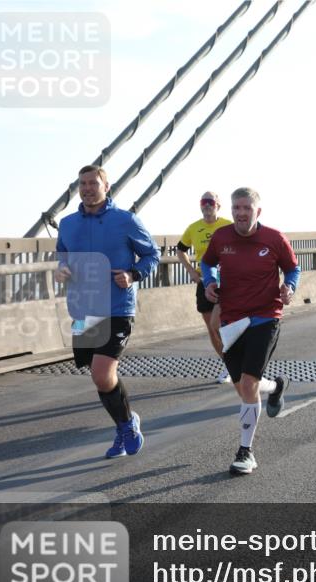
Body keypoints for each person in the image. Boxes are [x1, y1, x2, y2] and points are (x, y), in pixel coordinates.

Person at [55, 165, 161, 458]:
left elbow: (153, 254)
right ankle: (125, 422)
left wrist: (133, 274)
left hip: (117, 306)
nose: (87, 188)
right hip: (84, 307)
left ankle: (127, 426)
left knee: (102, 373)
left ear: (106, 186)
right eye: (82, 184)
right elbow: (62, 254)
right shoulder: (67, 223)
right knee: (98, 376)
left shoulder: (125, 220)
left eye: (93, 183)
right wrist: (61, 270)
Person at [201, 187, 300, 475]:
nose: (241, 213)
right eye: (236, 209)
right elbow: (208, 262)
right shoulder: (221, 238)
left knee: (247, 385)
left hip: (265, 317)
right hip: (231, 319)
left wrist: (290, 287)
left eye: (246, 208)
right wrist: (209, 281)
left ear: (258, 211)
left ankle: (245, 452)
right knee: (244, 387)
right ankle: (277, 386)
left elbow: (293, 269)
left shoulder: (274, 238)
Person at [177, 191, 233, 384]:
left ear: (218, 205)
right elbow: (180, 250)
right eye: (204, 202)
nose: (207, 205)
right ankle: (228, 364)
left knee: (225, 325)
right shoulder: (194, 228)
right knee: (212, 328)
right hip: (204, 282)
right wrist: (191, 271)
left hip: (227, 281)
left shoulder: (228, 225)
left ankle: (237, 361)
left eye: (211, 202)